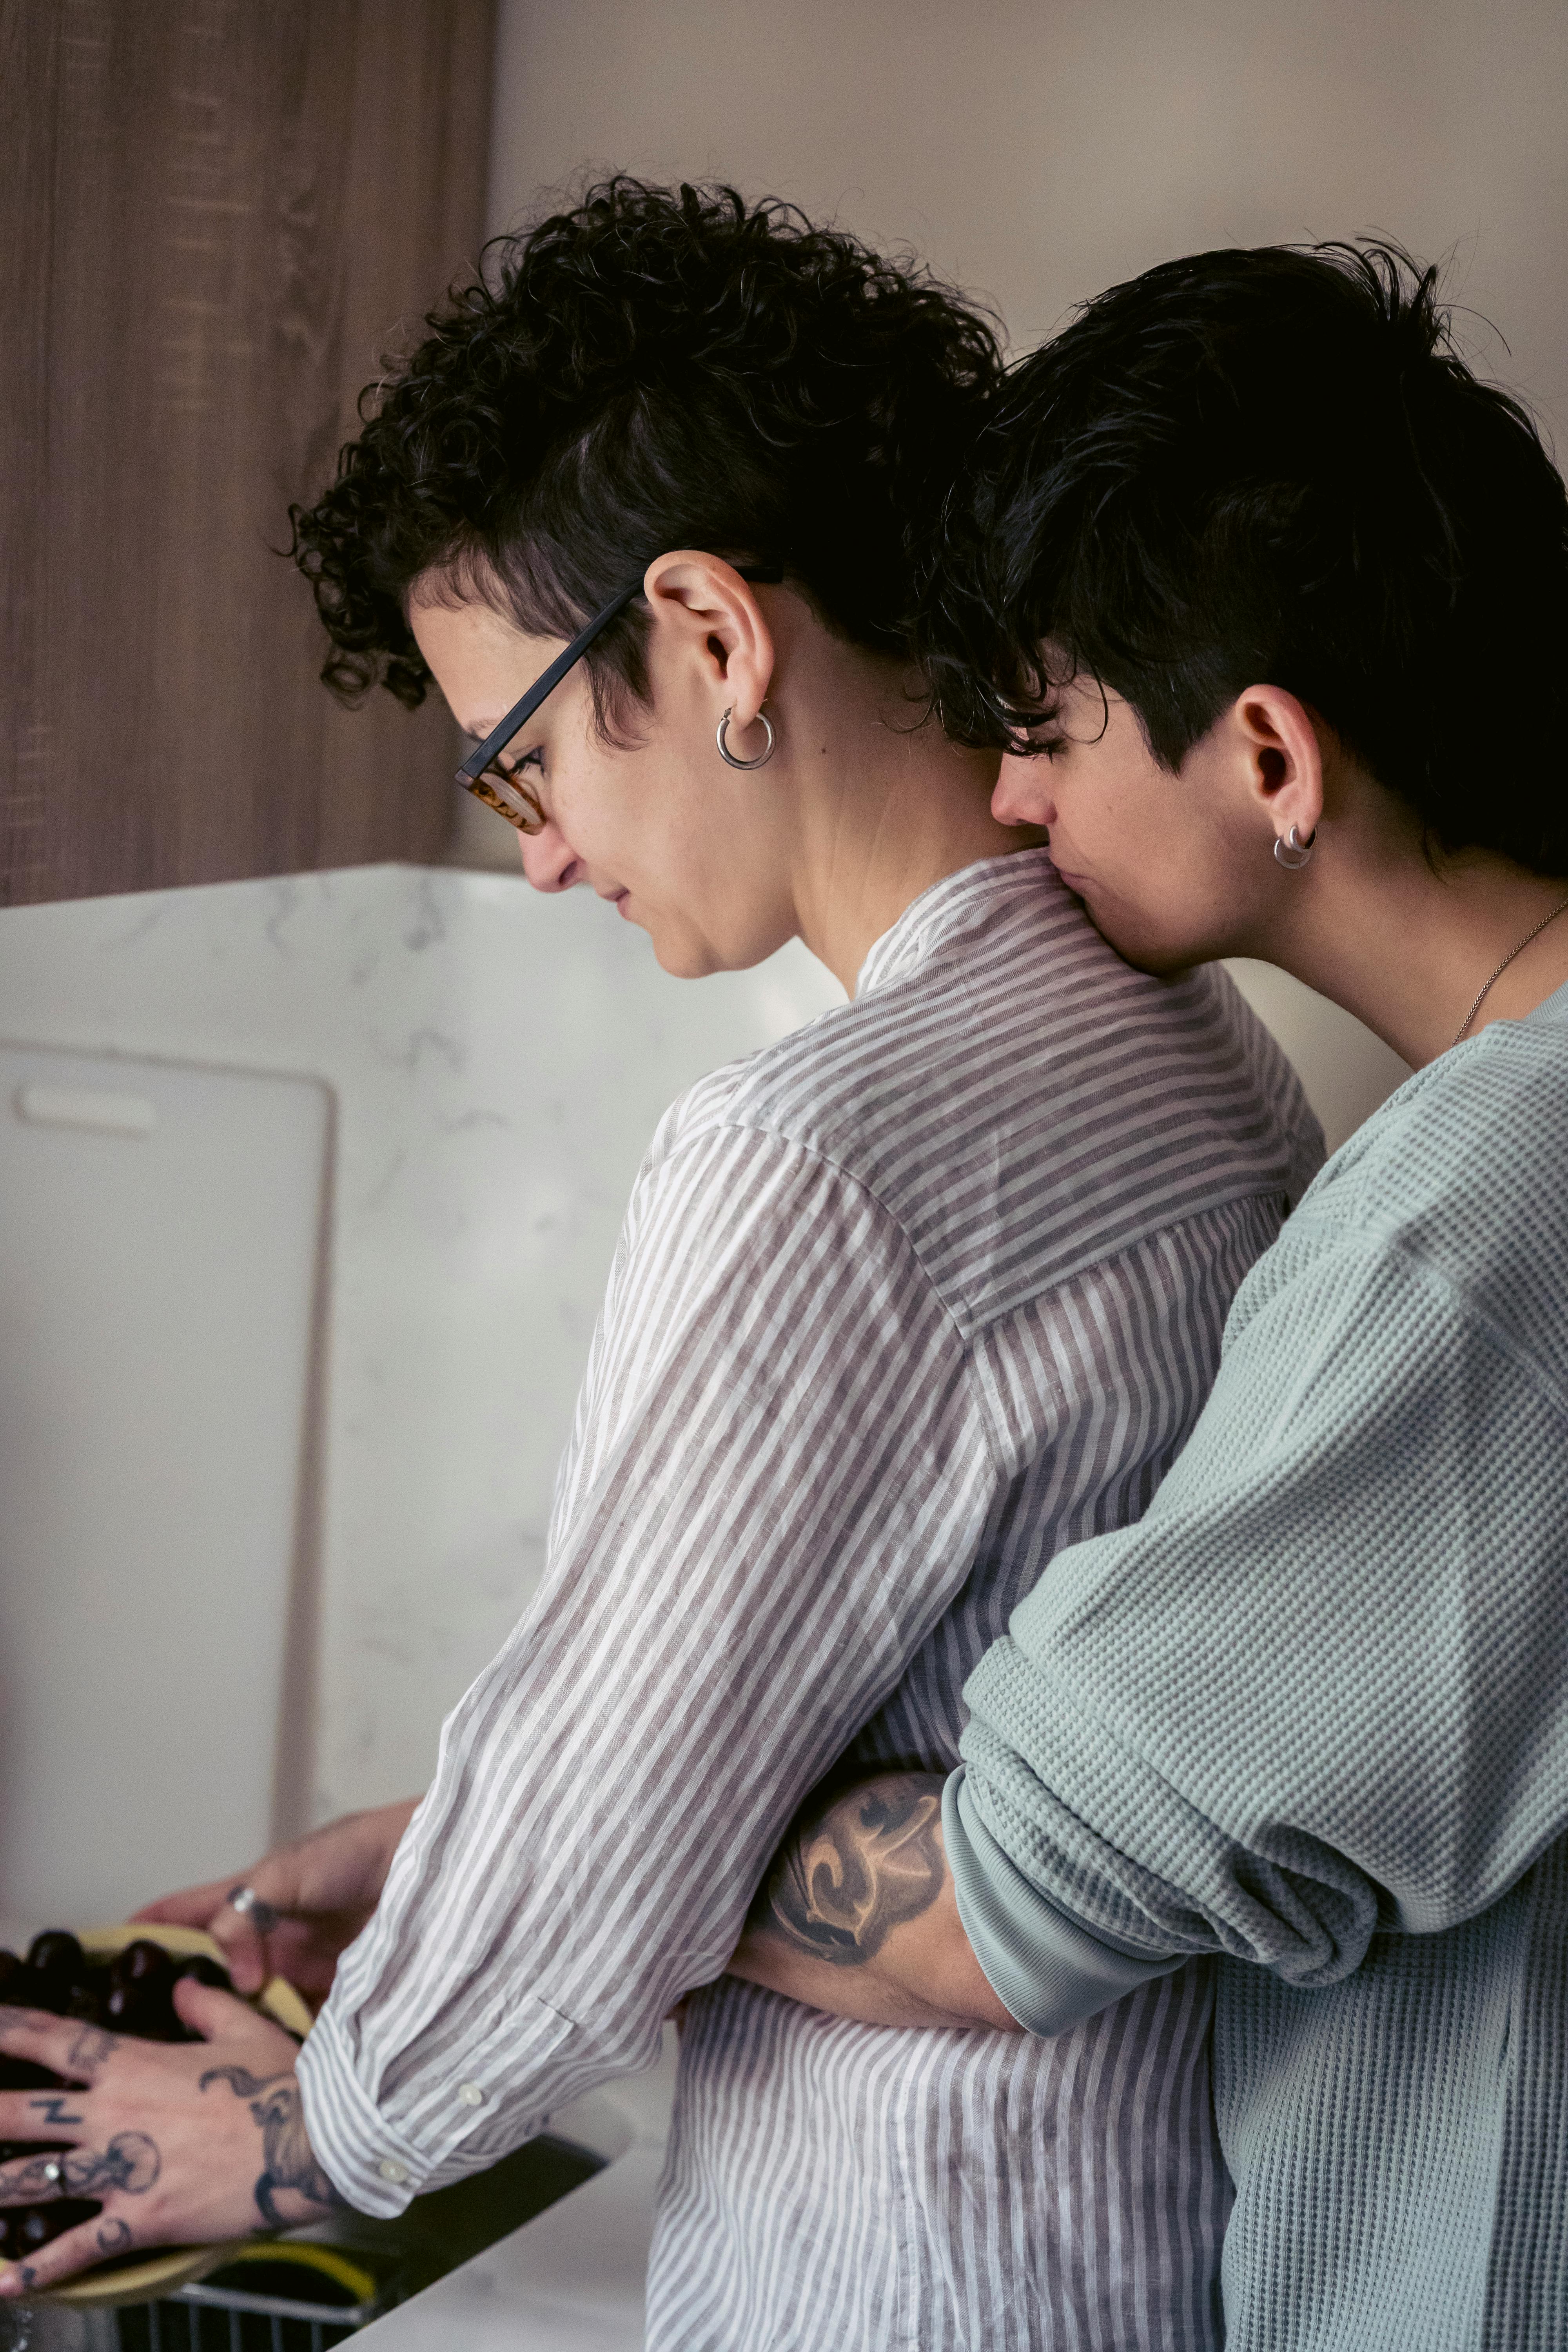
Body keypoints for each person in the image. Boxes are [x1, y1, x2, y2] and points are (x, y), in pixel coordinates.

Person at [0, 185, 1321, 2346]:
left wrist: (305, 2127)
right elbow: (962, 1705)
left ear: (710, 634)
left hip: (907, 2278)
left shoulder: (816, 1151)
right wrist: (454, 1843)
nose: (534, 854)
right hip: (1152, 2250)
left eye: (519, 757)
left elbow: (608, 1862)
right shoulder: (1189, 1036)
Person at [726, 242, 1568, 2352]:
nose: (1010, 799)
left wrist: (593, 1829)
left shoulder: (1473, 1234)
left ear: (1270, 754)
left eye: (1049, 723)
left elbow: (1007, 1910)